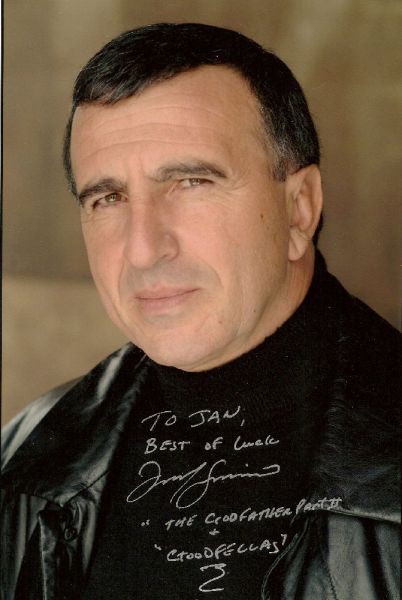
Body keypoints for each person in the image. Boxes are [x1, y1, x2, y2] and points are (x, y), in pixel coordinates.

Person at [1, 23, 400, 600]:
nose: (144, 249)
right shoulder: (23, 457)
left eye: (191, 182)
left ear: (299, 209)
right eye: (108, 198)